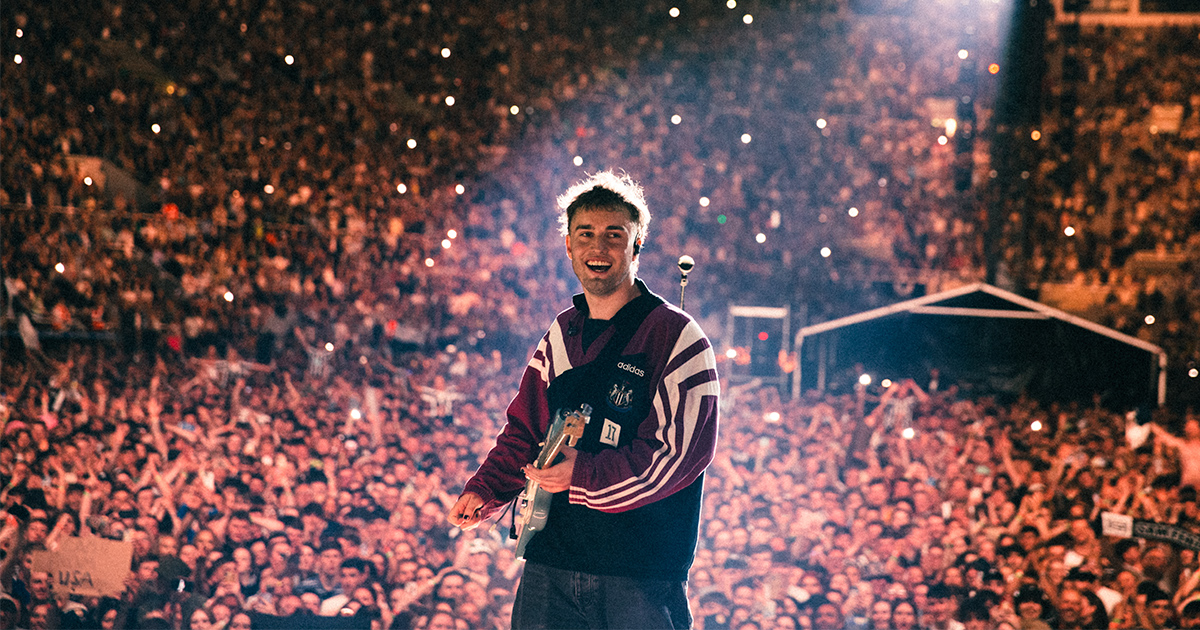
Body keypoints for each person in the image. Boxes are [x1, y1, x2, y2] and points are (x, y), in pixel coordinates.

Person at [447, 171, 721, 628]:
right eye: (585, 234)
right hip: (550, 563)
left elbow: (678, 456)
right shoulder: (561, 332)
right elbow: (524, 431)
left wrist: (584, 475)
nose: (599, 247)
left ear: (637, 244)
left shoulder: (677, 337)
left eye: (615, 235)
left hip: (640, 574)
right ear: (569, 246)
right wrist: (487, 488)